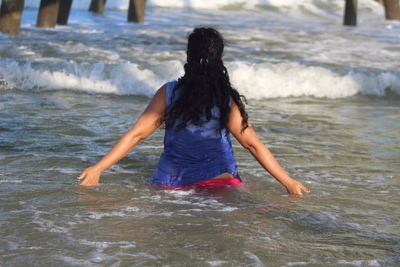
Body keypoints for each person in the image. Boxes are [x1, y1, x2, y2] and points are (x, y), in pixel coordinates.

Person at [77, 27, 309, 196]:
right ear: (219, 58)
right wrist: (287, 182)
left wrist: (98, 169)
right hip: (221, 184)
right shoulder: (224, 99)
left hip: (169, 184)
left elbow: (136, 134)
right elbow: (252, 145)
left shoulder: (168, 92)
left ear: (188, 56)